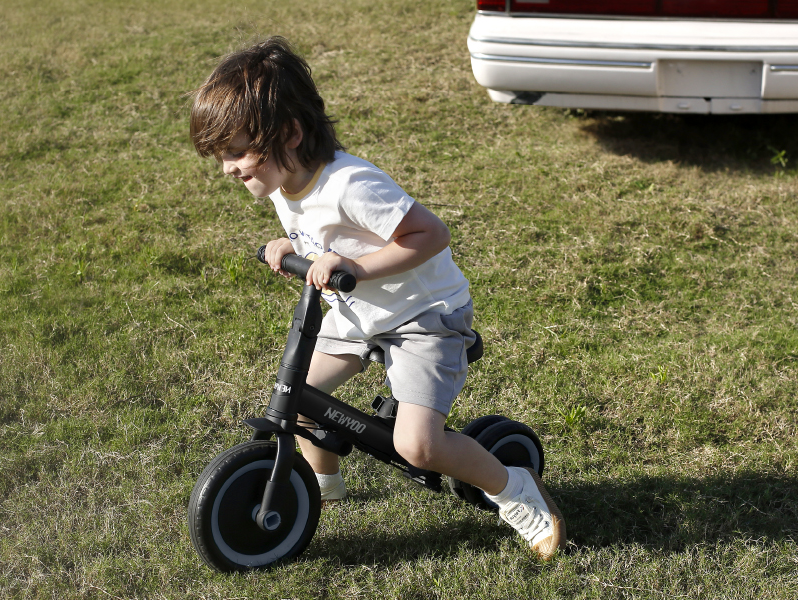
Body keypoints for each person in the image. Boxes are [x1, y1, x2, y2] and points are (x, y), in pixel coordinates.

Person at [188, 36, 565, 559]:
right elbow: (320, 240)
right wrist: (288, 246)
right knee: (295, 396)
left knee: (418, 446)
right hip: (360, 312)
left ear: (290, 134)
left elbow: (430, 234)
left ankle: (515, 490)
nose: (227, 167)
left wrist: (355, 267)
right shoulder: (283, 185)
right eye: (221, 155)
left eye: (235, 152)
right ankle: (319, 488)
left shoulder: (351, 184)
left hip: (421, 315)